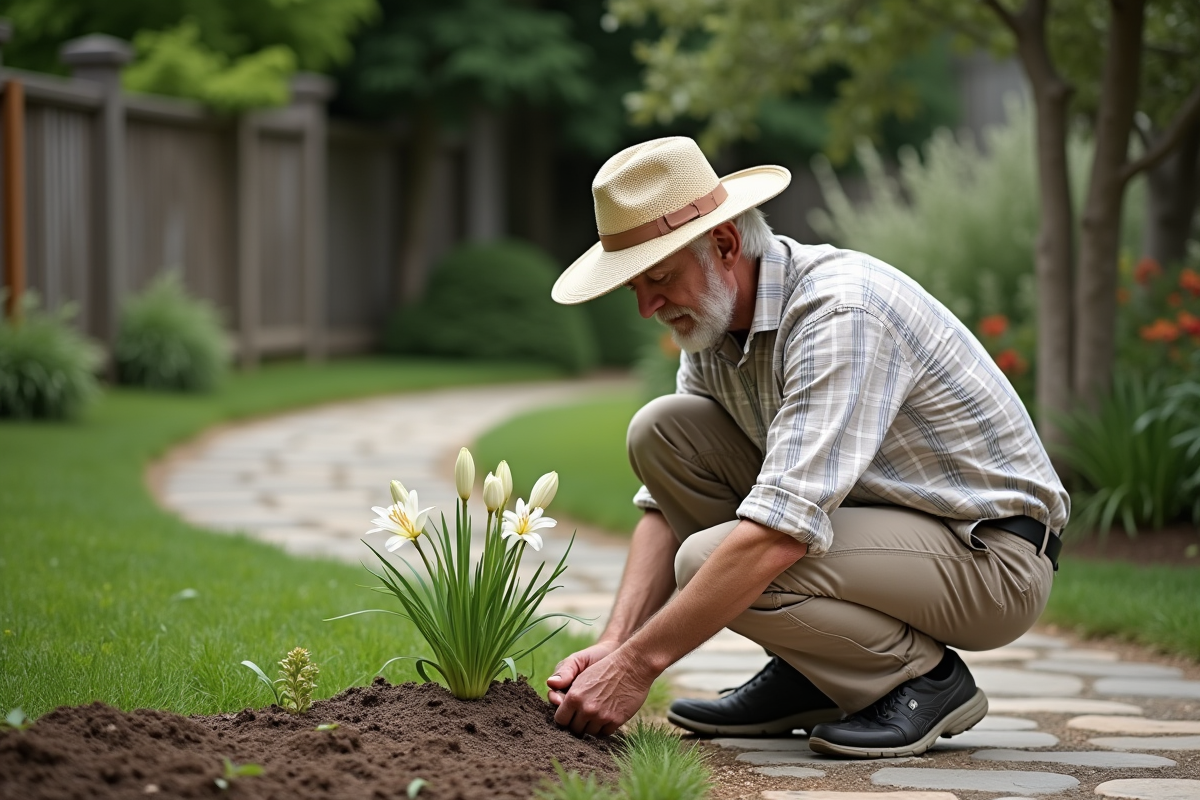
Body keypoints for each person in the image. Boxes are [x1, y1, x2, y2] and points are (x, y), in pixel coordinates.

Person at [544, 136, 1069, 758]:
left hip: (988, 559)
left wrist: (637, 667)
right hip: (880, 530)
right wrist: (615, 641)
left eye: (658, 276)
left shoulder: (838, 313)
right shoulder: (714, 327)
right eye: (634, 284)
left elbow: (779, 531)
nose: (646, 306)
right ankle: (817, 671)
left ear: (725, 244)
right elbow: (662, 506)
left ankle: (924, 683)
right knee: (661, 430)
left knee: (708, 560)